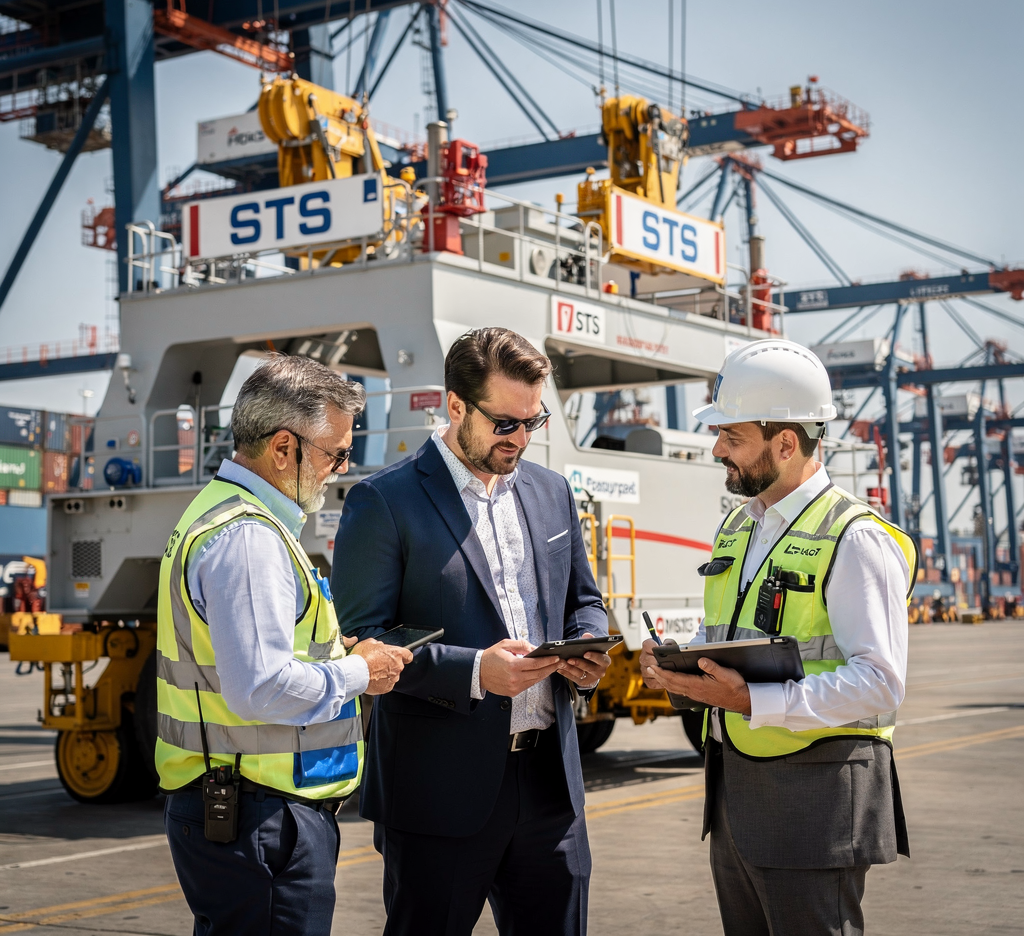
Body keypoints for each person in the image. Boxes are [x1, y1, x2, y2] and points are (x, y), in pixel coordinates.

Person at [333, 327, 611, 936]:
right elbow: (360, 639)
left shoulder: (552, 492)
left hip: (549, 790)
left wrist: (587, 647)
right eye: (506, 423)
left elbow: (584, 602)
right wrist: (474, 672)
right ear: (455, 405)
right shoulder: (384, 501)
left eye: (532, 422)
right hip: (438, 792)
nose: (520, 439)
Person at [641, 338, 916, 936]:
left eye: (732, 437)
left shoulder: (855, 538)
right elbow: (742, 641)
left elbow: (881, 683)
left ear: (786, 442)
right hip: (737, 796)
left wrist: (751, 700)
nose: (717, 450)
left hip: (816, 803)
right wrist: (680, 670)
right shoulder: (739, 526)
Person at [156, 353, 412, 936]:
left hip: (238, 804)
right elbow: (262, 689)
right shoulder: (250, 539)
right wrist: (357, 671)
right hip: (260, 815)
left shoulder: (218, 514)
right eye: (336, 453)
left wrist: (330, 654)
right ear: (283, 448)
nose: (340, 469)